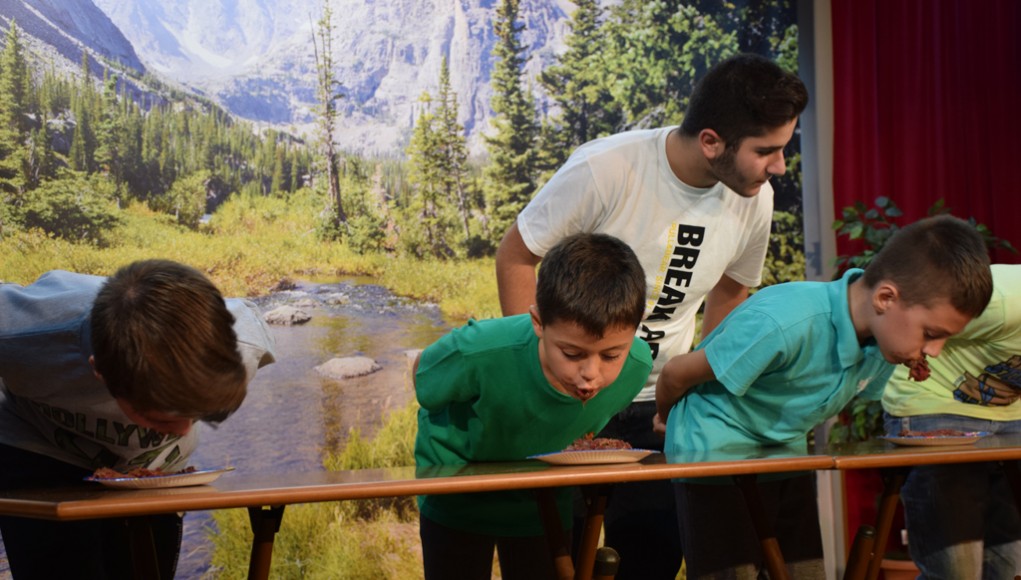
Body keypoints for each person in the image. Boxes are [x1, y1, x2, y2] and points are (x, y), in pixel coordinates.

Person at [494, 52, 809, 578]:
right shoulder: (606, 168)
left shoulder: (755, 198)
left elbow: (732, 292)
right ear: (712, 142)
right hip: (568, 401)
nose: (778, 166)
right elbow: (516, 255)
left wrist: (698, 387)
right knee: (558, 561)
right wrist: (543, 374)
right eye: (767, 151)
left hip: (659, 406)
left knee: (650, 561)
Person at [655, 214, 994, 578]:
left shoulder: (886, 344)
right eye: (931, 333)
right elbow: (676, 373)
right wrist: (665, 418)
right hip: (715, 455)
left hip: (783, 453)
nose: (936, 351)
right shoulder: (784, 322)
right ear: (885, 298)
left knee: (805, 571)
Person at [0, 259, 276, 579]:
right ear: (99, 371)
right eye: (161, 418)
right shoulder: (22, 333)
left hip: (152, 470)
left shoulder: (241, 346)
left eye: (192, 413)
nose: (185, 430)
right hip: (37, 447)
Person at [415, 233, 653, 580]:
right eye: (572, 354)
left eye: (610, 355)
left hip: (542, 500)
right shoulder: (478, 351)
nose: (590, 376)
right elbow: (425, 380)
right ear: (538, 322)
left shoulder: (636, 367)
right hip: (456, 491)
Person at [882, 263, 1021, 578]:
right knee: (955, 571)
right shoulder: (1000, 303)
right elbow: (905, 317)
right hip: (935, 401)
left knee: (1010, 568)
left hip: (1012, 415)